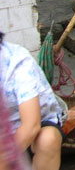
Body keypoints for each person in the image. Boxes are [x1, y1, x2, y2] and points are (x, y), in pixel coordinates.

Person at [0, 31, 63, 170]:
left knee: (47, 140)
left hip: (33, 125)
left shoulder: (17, 62)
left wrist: (4, 160)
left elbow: (31, 125)